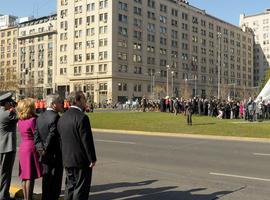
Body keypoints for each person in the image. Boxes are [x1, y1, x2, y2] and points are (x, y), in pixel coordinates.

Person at [57, 91, 97, 200]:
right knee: (80, 190)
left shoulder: (62, 118)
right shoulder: (82, 118)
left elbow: (61, 140)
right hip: (81, 161)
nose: (85, 102)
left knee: (70, 187)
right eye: (83, 99)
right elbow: (87, 141)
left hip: (67, 159)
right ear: (77, 101)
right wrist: (92, 158)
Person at [34, 94, 64, 200]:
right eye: (59, 102)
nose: (62, 104)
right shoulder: (56, 117)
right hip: (55, 155)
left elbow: (36, 136)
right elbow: (52, 135)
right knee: (55, 184)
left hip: (44, 155)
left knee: (46, 182)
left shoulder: (40, 117)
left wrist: (41, 149)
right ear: (53, 104)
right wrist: (45, 148)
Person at [16, 98, 42, 200]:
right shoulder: (32, 121)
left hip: (23, 147)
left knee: (24, 176)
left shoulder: (20, 120)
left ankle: (26, 198)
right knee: (30, 176)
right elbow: (36, 135)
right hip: (31, 148)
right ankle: (28, 198)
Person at [0, 92, 18, 200]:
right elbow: (19, 116)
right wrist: (13, 108)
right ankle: (3, 195)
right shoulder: (8, 114)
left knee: (3, 173)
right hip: (7, 148)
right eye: (10, 102)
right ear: (6, 103)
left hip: (1, 147)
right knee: (6, 173)